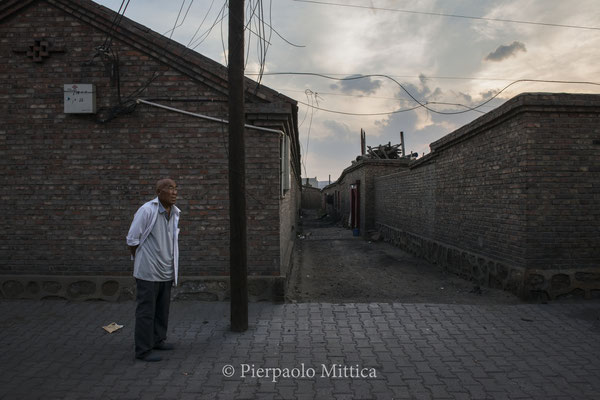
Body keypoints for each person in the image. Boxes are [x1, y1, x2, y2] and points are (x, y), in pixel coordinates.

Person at [126, 178, 180, 362]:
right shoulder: (147, 210)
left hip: (166, 270)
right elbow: (132, 239)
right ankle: (143, 350)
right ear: (158, 192)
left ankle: (158, 340)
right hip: (148, 272)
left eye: (175, 188)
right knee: (146, 312)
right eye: (169, 188)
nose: (174, 192)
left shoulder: (174, 212)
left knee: (162, 310)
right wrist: (143, 258)